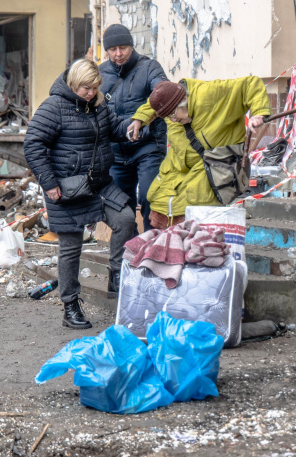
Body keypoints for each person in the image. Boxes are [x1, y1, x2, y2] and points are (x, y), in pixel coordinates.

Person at [24, 59, 136, 330]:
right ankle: (70, 306)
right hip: (67, 189)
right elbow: (32, 144)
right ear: (73, 84)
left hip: (98, 185)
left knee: (126, 219)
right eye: (86, 88)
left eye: (95, 87)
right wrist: (49, 184)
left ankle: (117, 275)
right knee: (71, 249)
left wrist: (136, 124)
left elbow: (114, 128)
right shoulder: (54, 107)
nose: (91, 93)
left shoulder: (97, 104)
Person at [128, 78, 270, 228]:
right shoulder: (171, 107)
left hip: (213, 162)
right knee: (157, 198)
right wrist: (139, 119)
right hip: (179, 163)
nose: (173, 120)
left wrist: (259, 113)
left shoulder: (210, 93)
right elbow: (155, 104)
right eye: (168, 118)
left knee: (194, 201)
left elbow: (249, 84)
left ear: (183, 101)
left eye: (174, 115)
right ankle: (172, 243)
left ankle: (192, 242)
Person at [99, 24, 168, 232]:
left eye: (123, 48)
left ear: (132, 46)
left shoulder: (150, 68)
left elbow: (164, 94)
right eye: (113, 50)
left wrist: (140, 119)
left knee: (150, 197)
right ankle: (130, 252)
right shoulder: (100, 73)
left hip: (147, 147)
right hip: (116, 153)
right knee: (120, 207)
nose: (118, 54)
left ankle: (152, 244)